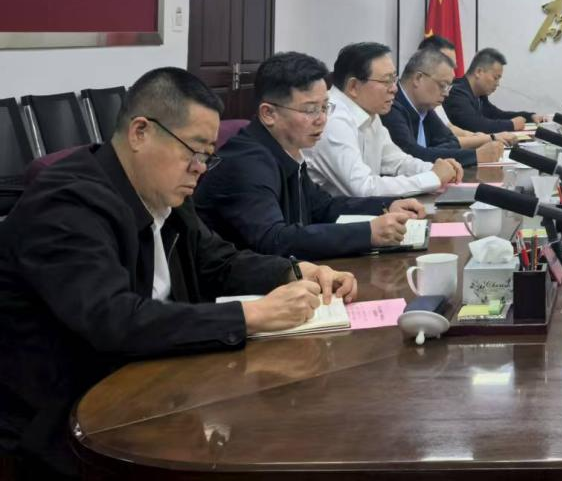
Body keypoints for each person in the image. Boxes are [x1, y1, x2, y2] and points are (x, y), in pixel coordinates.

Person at [0, 68, 356, 478]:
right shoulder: (66, 205)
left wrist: (293, 272)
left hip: (157, 387)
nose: (200, 168)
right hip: (70, 421)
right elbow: (115, 319)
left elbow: (217, 261)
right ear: (140, 132)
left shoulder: (163, 190)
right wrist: (252, 315)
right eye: (194, 150)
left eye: (207, 155)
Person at [196, 52, 432, 260]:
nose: (322, 119)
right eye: (310, 110)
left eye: (325, 107)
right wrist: (368, 233)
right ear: (268, 114)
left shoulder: (288, 149)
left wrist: (387, 205)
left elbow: (323, 207)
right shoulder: (247, 164)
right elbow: (274, 240)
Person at [308, 42, 463, 197]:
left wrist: (436, 169)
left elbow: (398, 162)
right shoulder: (333, 118)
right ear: (354, 86)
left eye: (394, 79)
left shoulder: (370, 113)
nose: (394, 88)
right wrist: (433, 178)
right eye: (386, 81)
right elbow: (363, 188)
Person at [384, 47, 507, 171]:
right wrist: (476, 155)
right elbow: (414, 155)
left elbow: (451, 141)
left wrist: (432, 151)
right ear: (418, 78)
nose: (446, 93)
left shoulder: (425, 108)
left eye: (448, 87)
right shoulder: (390, 107)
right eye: (443, 85)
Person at [418, 35, 519, 148]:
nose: (453, 74)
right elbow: (434, 146)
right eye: (448, 65)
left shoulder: (431, 102)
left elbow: (449, 129)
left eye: (454, 66)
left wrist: (480, 137)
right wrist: (488, 139)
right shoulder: (455, 92)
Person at [443, 47, 546, 135]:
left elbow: (497, 115)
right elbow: (476, 125)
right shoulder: (456, 92)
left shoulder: (479, 95)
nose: (497, 84)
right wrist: (511, 125)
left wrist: (529, 116)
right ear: (478, 72)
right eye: (495, 78)